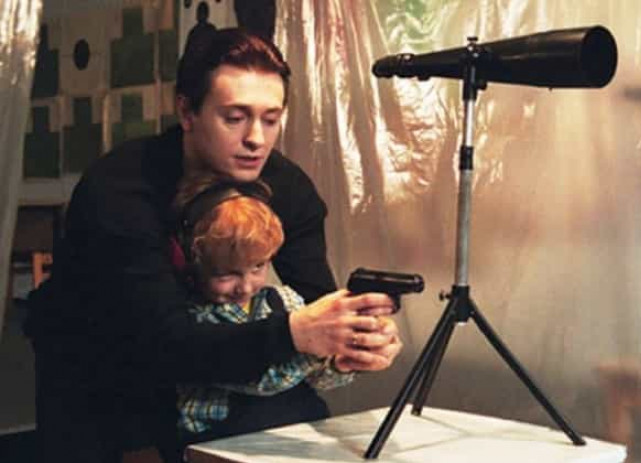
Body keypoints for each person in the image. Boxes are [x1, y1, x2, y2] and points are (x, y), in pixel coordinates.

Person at [24, 28, 402, 463]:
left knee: (301, 420)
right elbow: (162, 342)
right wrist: (296, 332)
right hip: (97, 366)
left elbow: (317, 301)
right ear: (187, 112)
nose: (256, 139)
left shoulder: (288, 188)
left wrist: (352, 340)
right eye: (235, 118)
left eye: (271, 119)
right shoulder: (120, 190)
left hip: (206, 362)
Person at [173, 176, 365, 448]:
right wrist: (311, 349)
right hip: (222, 442)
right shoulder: (194, 320)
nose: (245, 286)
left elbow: (317, 379)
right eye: (226, 274)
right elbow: (261, 381)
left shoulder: (285, 300)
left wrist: (341, 362)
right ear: (194, 263)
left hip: (294, 432)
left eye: (257, 267)